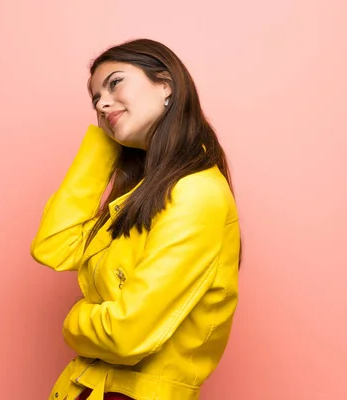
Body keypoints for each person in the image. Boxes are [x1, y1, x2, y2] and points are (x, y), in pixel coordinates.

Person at [30, 38, 241, 400]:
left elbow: (126, 334)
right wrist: (105, 145)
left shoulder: (195, 193)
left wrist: (74, 320)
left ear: (166, 85)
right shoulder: (144, 194)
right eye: (95, 99)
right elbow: (54, 247)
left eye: (114, 83)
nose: (102, 103)